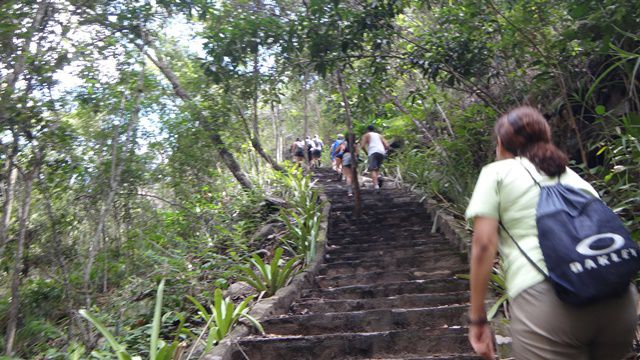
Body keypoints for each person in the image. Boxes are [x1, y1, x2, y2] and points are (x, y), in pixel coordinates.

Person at [465, 106, 638, 360]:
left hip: (546, 302)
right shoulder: (574, 177)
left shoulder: (496, 173)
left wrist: (478, 316)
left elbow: (483, 245)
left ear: (501, 144)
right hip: (617, 298)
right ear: (546, 139)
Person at [360, 125, 389, 193]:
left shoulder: (366, 135)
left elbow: (362, 146)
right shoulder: (379, 135)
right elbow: (387, 145)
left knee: (373, 169)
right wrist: (383, 151)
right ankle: (378, 178)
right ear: (374, 129)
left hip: (373, 152)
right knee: (377, 169)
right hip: (381, 152)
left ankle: (376, 187)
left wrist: (367, 152)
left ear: (367, 130)